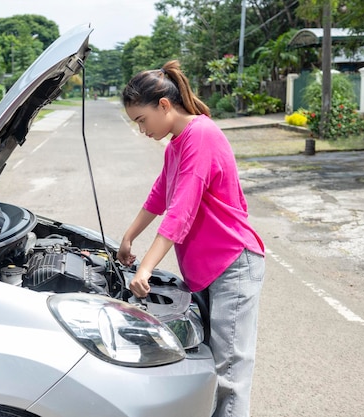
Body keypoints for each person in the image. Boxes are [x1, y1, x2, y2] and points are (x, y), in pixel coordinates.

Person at [117, 60, 266, 417]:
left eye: (141, 120)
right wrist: (128, 238)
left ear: (164, 105)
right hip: (205, 270)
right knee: (207, 364)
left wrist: (146, 268)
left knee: (230, 373)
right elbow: (159, 197)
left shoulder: (201, 135)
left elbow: (181, 210)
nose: (141, 130)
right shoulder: (175, 146)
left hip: (232, 263)